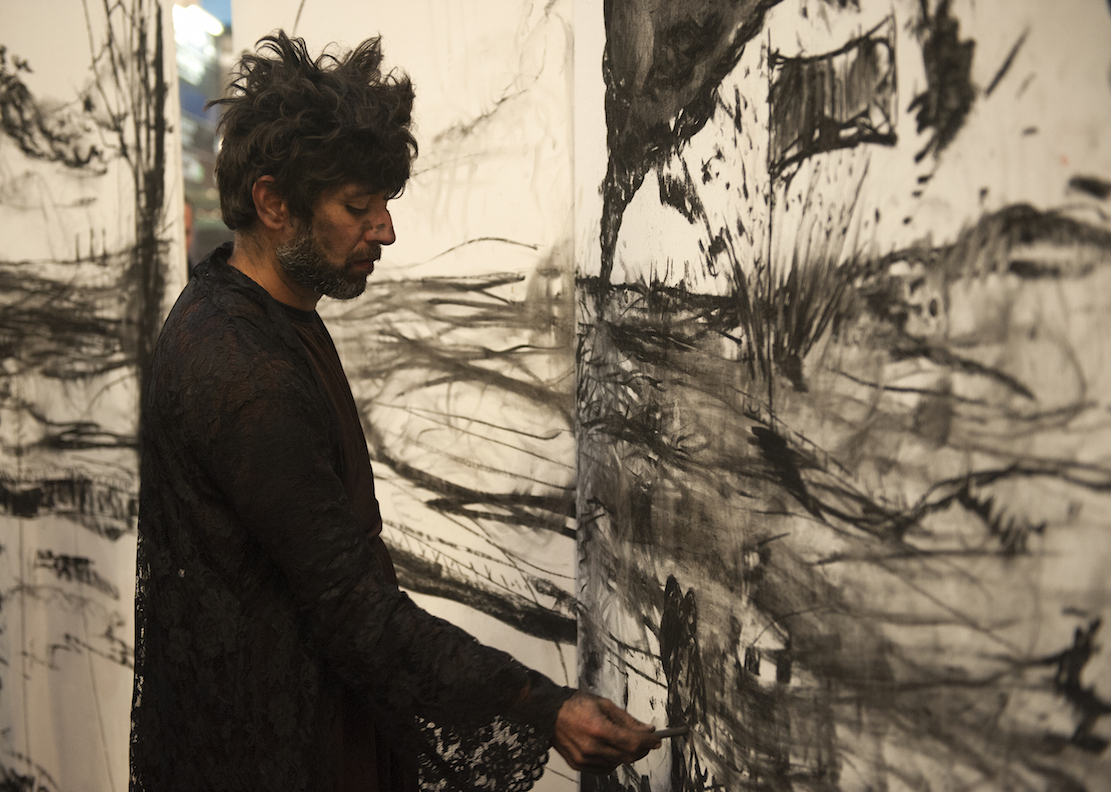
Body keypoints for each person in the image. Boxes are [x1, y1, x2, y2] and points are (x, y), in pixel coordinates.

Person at [129, 31, 661, 792]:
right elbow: (354, 608)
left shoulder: (256, 312)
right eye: (358, 206)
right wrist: (546, 707)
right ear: (273, 202)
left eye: (383, 203)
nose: (384, 228)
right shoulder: (241, 372)